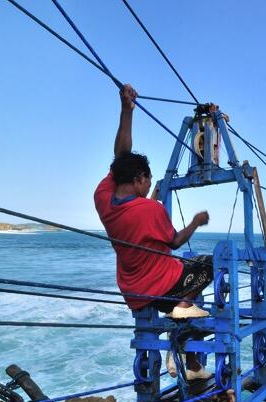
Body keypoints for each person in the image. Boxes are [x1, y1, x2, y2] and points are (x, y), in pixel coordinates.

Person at [94, 84, 214, 381]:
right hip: (164, 287)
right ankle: (183, 319)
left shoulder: (103, 198)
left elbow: (120, 157)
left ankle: (190, 357)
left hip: (133, 290)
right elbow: (173, 241)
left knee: (188, 270)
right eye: (146, 181)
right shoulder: (152, 210)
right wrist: (196, 222)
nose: (149, 186)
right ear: (137, 179)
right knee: (209, 265)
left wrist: (126, 111)